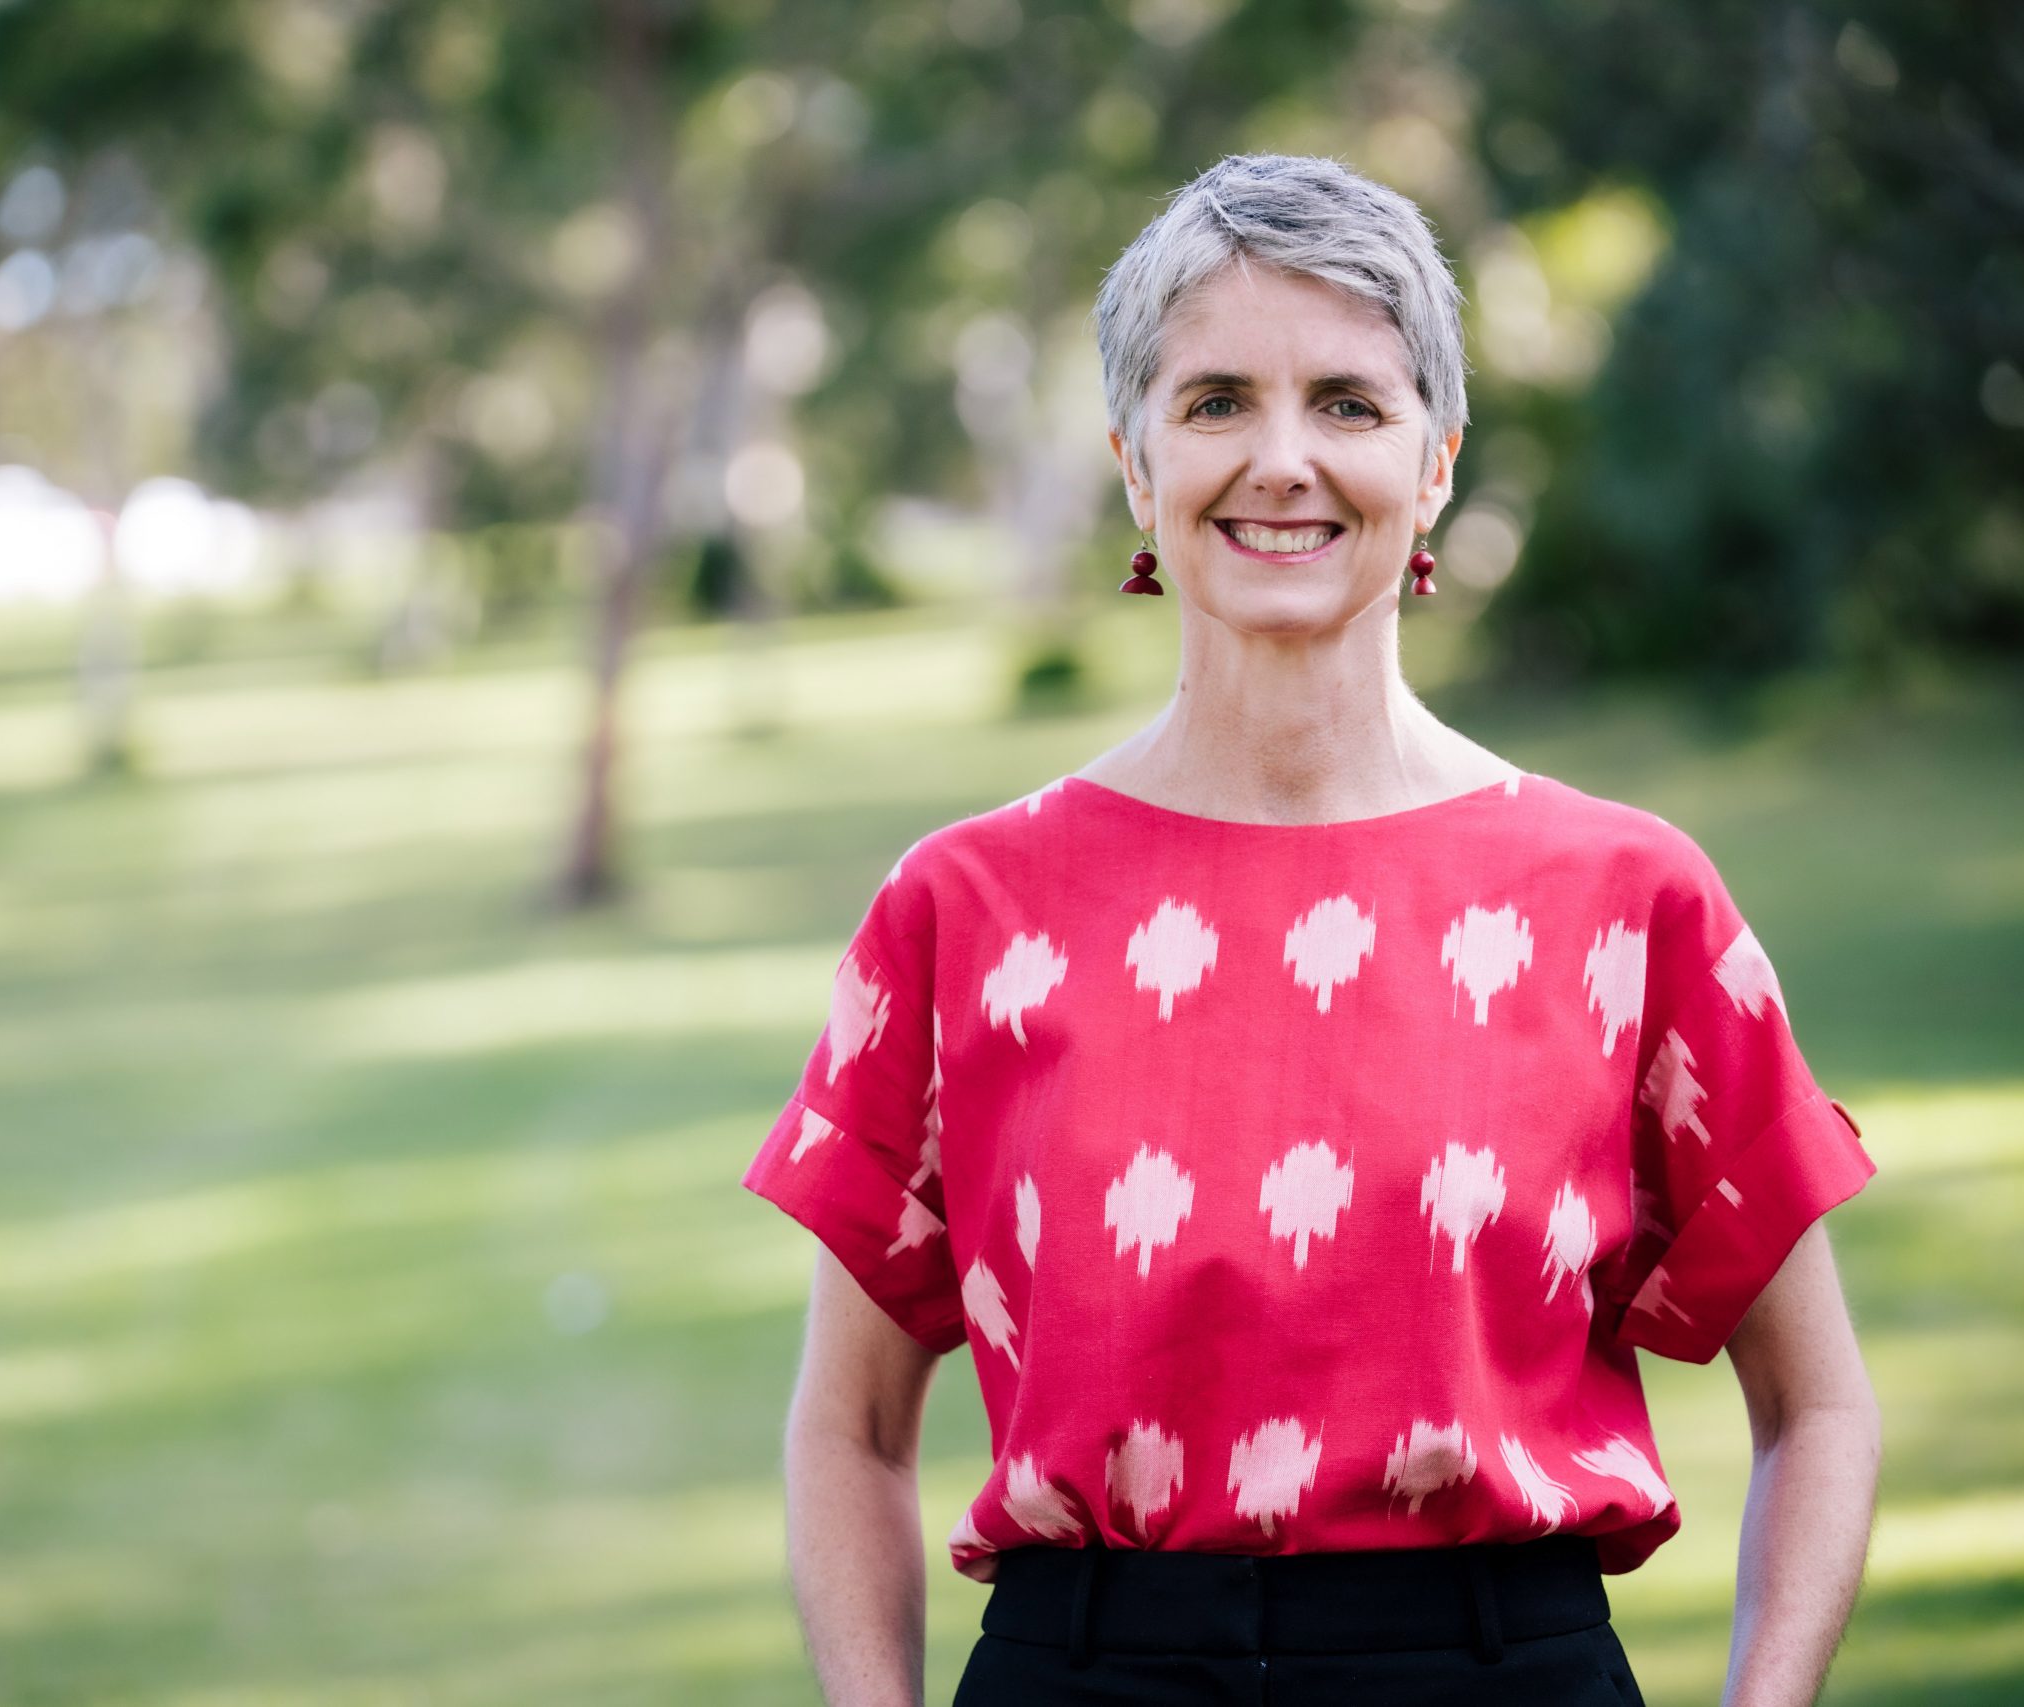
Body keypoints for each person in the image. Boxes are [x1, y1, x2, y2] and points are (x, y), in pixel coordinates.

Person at [740, 152, 1881, 1707]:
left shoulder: (1629, 899)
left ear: (1437, 463)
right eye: (1216, 402)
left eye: (1349, 402)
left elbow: (1817, 1409)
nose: (1283, 460)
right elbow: (851, 1427)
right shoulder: (959, 910)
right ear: (1137, 464)